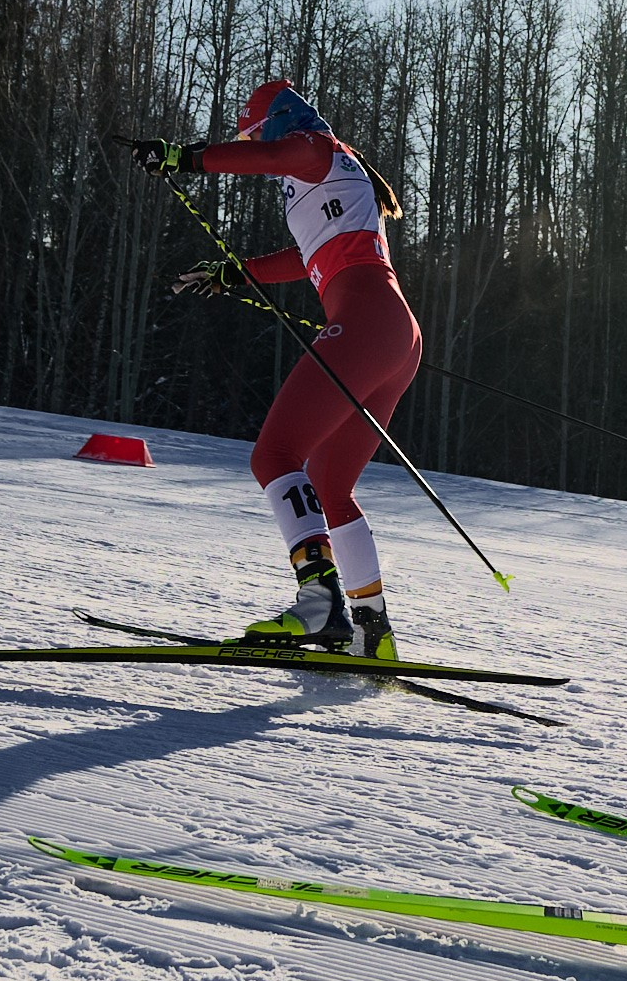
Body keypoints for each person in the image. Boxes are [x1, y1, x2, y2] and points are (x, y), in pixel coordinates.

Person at [132, 81, 421, 658]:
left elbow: (269, 157)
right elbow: (308, 257)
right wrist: (235, 273)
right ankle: (370, 629)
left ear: (274, 123)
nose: (253, 143)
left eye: (253, 132)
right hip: (394, 336)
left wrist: (184, 157)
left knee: (274, 457)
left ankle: (320, 607)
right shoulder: (323, 180)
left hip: (366, 327)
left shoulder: (317, 147)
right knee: (332, 484)